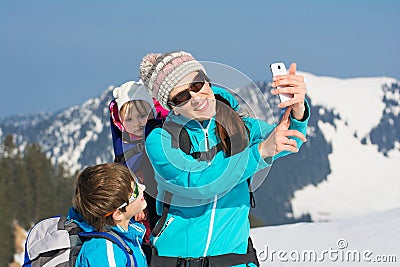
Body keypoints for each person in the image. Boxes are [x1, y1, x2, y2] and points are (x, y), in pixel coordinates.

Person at [139, 51, 310, 267]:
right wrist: (258, 153)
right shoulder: (161, 139)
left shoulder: (240, 126)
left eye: (197, 84)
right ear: (171, 106)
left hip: (234, 260)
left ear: (207, 81)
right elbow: (198, 183)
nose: (196, 98)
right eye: (182, 96)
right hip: (176, 261)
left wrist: (298, 110)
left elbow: (289, 139)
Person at [109, 81, 167, 263]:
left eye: (142, 116)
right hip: (139, 215)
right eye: (129, 119)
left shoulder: (159, 139)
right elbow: (125, 179)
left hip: (160, 207)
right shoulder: (125, 150)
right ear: (120, 122)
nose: (137, 124)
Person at [68, 163, 148, 267]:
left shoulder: (126, 232)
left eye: (137, 183)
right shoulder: (105, 251)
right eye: (136, 192)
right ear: (118, 213)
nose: (143, 188)